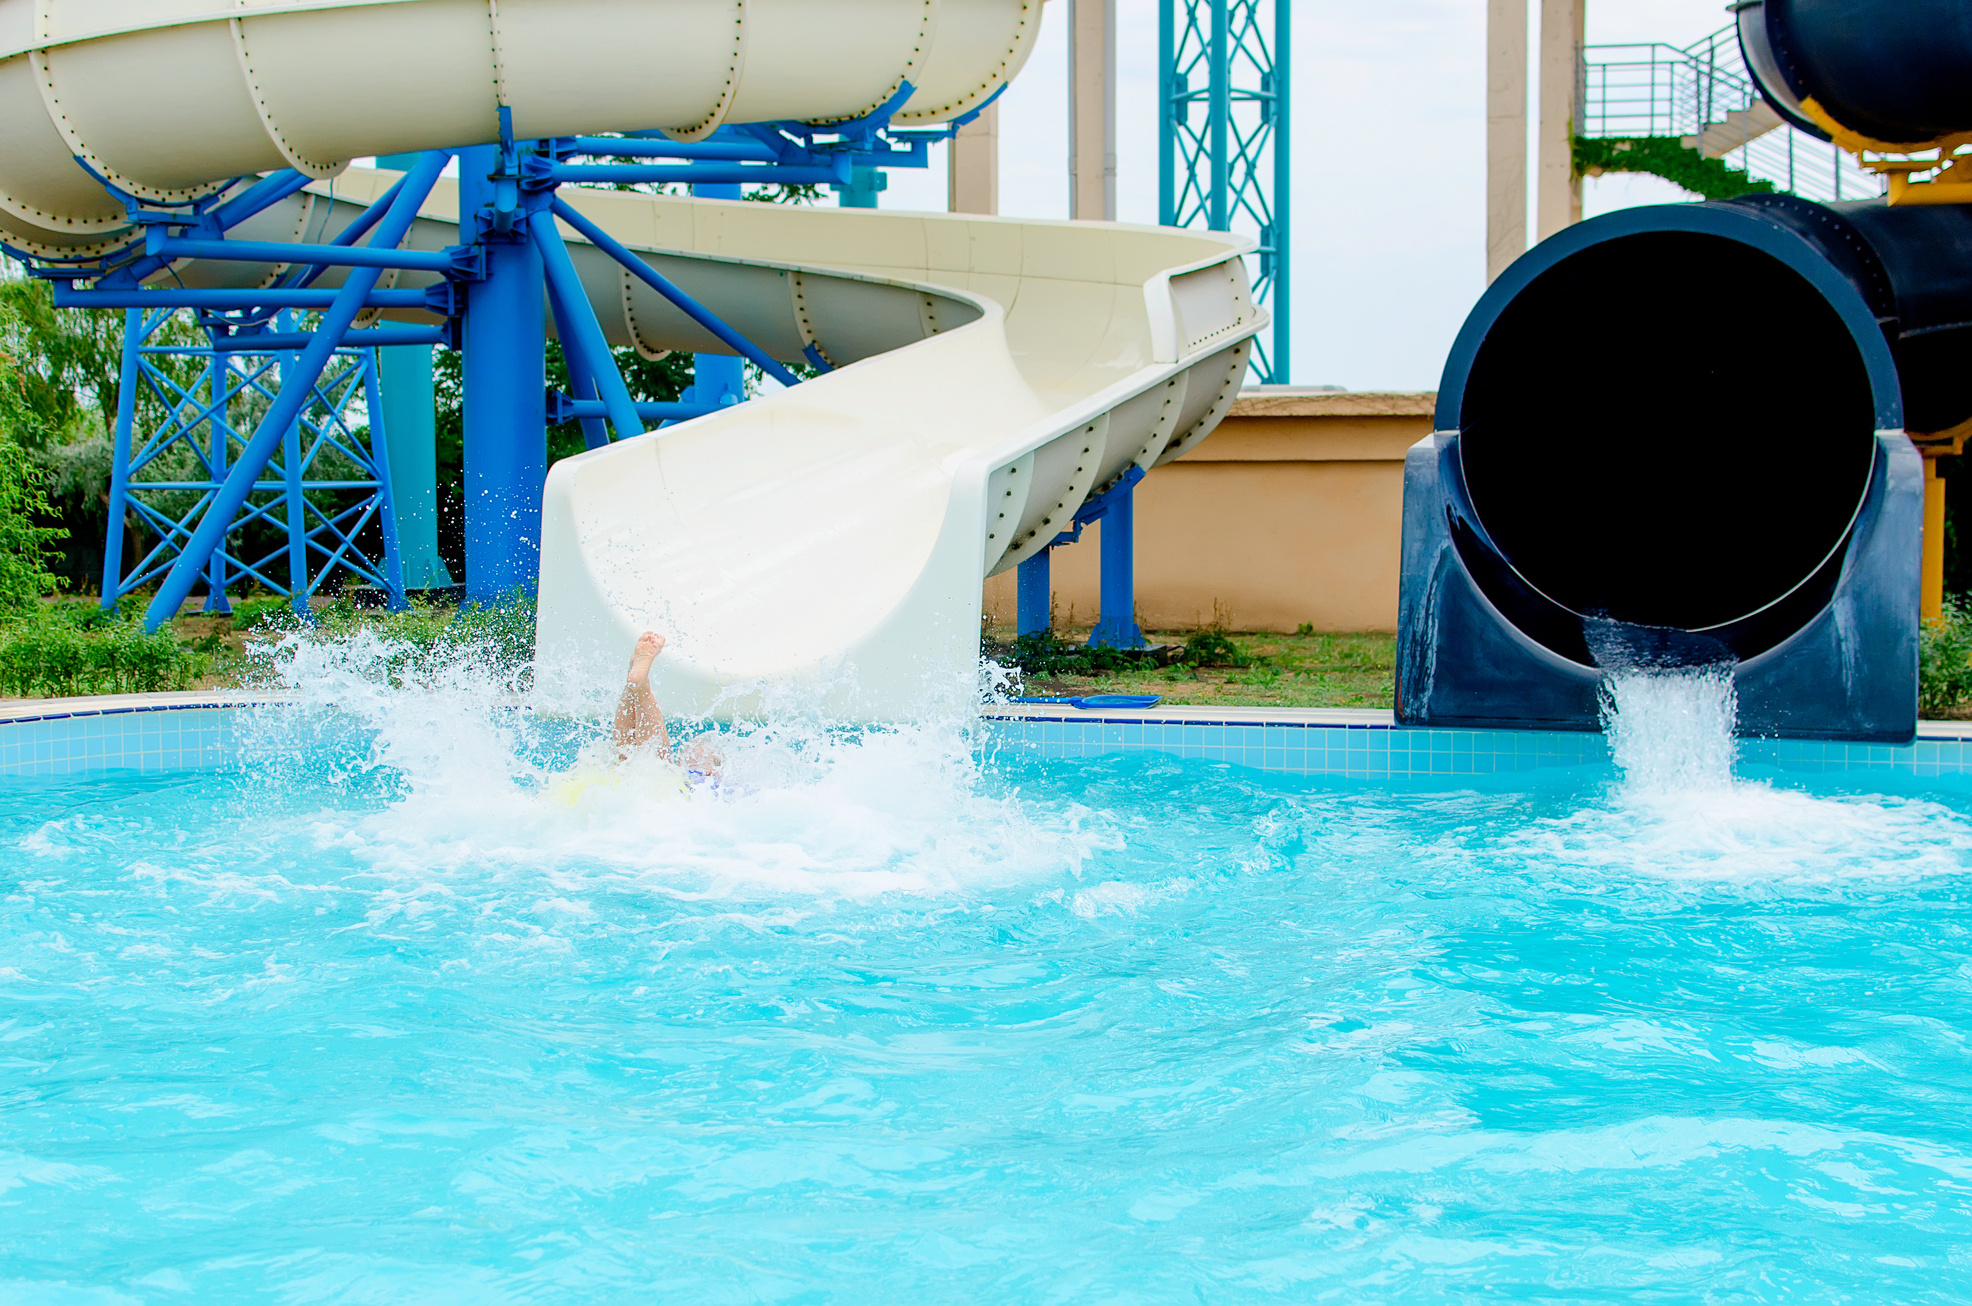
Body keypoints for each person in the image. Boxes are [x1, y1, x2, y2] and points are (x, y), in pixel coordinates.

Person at [613, 631, 723, 778]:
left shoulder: (701, 782)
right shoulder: (706, 787)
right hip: (656, 785)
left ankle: (638, 687)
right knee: (634, 763)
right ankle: (638, 687)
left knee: (628, 760)